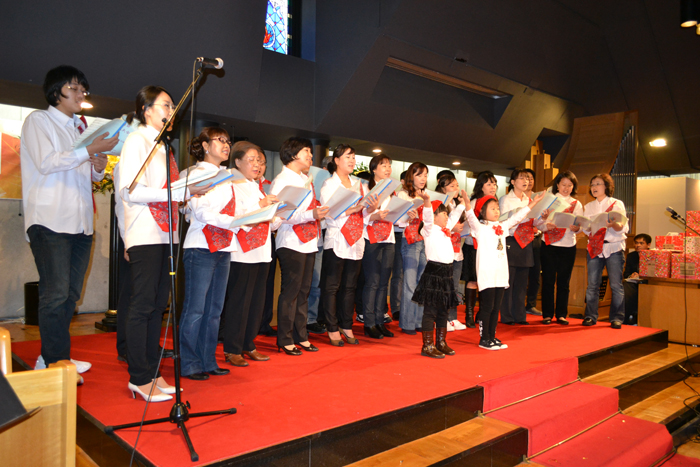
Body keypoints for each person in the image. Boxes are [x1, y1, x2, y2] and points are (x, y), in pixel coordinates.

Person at [21, 65, 118, 378]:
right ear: (56, 91)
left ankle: (54, 357)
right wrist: (89, 149)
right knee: (55, 294)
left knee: (70, 295)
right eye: (74, 88)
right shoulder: (39, 120)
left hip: (80, 223)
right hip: (50, 220)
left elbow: (90, 176)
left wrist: (98, 164)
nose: (80, 94)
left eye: (83, 89)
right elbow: (46, 163)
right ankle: (54, 364)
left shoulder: (79, 128)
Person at [118, 85, 210, 401]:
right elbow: (130, 191)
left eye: (172, 106)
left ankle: (153, 373)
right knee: (143, 305)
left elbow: (166, 192)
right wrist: (179, 192)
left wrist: (185, 193)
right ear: (146, 110)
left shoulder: (163, 148)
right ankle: (138, 377)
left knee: (158, 306)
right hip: (145, 232)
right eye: (166, 105)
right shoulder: (137, 141)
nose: (172, 111)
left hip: (167, 233)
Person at [178, 127, 236, 380]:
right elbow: (201, 212)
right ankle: (189, 363)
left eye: (228, 141)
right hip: (200, 246)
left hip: (224, 246)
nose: (226, 145)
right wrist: (234, 221)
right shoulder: (195, 174)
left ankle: (208, 360)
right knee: (195, 309)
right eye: (220, 140)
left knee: (214, 311)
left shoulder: (228, 176)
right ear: (204, 145)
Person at [222, 141, 283, 366]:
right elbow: (239, 217)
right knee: (239, 302)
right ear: (237, 162)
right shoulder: (231, 184)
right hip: (242, 252)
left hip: (262, 251)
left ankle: (249, 344)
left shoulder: (256, 186)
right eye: (251, 160)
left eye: (259, 161)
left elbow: (268, 221)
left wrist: (279, 214)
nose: (257, 164)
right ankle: (232, 349)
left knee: (256, 302)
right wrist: (263, 204)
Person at [463, 192, 545, 350]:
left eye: (497, 208)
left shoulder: (502, 226)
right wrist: (467, 204)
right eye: (492, 208)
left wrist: (533, 203)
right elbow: (471, 218)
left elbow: (517, 217)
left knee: (496, 308)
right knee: (487, 307)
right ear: (483, 211)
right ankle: (484, 339)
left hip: (500, 273)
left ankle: (492, 336)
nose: (496, 211)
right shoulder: (480, 228)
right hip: (487, 274)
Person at [270, 137, 329, 355]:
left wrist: (316, 212)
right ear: (293, 154)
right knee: (291, 292)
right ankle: (285, 339)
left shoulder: (305, 179)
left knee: (304, 291)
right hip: (290, 242)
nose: (311, 156)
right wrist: (310, 214)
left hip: (309, 241)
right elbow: (281, 215)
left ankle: (301, 336)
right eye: (306, 151)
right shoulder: (282, 181)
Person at [320, 144, 378, 346]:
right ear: (336, 160)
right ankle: (331, 326)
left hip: (355, 240)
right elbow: (327, 213)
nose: (352, 160)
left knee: (350, 286)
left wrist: (371, 208)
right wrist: (351, 210)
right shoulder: (329, 184)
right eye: (348, 157)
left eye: (354, 157)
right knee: (332, 287)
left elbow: (366, 216)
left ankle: (346, 325)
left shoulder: (359, 184)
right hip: (337, 239)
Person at [411, 191, 467, 358]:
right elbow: (428, 217)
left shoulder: (445, 229)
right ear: (435, 216)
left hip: (447, 272)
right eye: (443, 213)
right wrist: (427, 201)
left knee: (444, 309)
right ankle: (427, 345)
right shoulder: (429, 229)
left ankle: (441, 342)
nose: (447, 216)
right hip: (434, 271)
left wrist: (462, 203)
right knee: (430, 310)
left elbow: (455, 215)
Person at [582, 174, 629, 329]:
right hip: (595, 247)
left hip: (613, 247)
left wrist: (612, 225)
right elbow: (586, 229)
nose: (594, 187)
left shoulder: (616, 203)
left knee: (615, 285)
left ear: (606, 186)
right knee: (592, 285)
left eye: (598, 184)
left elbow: (622, 227)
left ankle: (616, 318)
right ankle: (590, 316)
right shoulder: (589, 206)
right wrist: (589, 226)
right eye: (592, 184)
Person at [537, 171, 583, 325]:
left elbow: (580, 226)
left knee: (564, 282)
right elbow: (539, 223)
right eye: (563, 184)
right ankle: (547, 315)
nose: (566, 188)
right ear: (557, 185)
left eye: (570, 185)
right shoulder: (549, 200)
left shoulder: (576, 204)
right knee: (548, 280)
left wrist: (576, 228)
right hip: (549, 244)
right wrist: (546, 224)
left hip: (568, 245)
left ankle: (562, 314)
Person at [362, 154, 396, 339]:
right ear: (374, 169)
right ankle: (369, 323)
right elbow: (360, 215)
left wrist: (406, 215)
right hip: (371, 239)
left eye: (389, 165)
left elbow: (396, 219)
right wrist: (374, 216)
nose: (388, 168)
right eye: (383, 165)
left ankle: (379, 321)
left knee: (383, 283)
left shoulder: (392, 192)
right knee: (373, 282)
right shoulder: (367, 189)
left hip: (389, 239)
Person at [499, 169, 537, 325]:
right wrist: (523, 217)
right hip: (511, 240)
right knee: (509, 282)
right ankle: (507, 316)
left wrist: (541, 218)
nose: (525, 181)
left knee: (522, 283)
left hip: (526, 242)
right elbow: (504, 221)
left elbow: (534, 222)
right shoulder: (506, 199)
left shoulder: (529, 200)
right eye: (522, 178)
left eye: (527, 178)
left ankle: (520, 316)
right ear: (513, 182)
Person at [462, 171, 499, 328]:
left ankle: (482, 313)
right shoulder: (474, 202)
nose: (493, 187)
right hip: (473, 245)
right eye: (489, 184)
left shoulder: (495, 201)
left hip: (489, 248)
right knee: (473, 279)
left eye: (494, 184)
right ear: (480, 186)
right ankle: (469, 314)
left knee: (486, 280)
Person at [397, 162, 429, 334]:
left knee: (422, 282)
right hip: (409, 240)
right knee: (409, 283)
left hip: (425, 240)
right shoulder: (403, 194)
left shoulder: (426, 195)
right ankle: (408, 323)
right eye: (419, 175)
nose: (423, 178)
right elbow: (398, 221)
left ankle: (418, 321)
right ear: (411, 176)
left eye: (425, 175)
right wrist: (408, 216)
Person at [435, 173, 467, 331]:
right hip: (444, 252)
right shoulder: (440, 204)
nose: (456, 188)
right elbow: (441, 225)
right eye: (452, 186)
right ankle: (441, 319)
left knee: (453, 287)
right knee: (443, 287)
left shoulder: (456, 204)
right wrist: (453, 227)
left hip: (457, 250)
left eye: (457, 185)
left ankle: (452, 318)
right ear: (443, 188)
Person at [307, 155, 333, 335]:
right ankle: (302, 320)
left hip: (319, 234)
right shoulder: (306, 181)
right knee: (304, 283)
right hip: (301, 236)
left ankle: (312, 318)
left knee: (316, 282)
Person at [257, 150, 279, 337]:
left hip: (268, 236)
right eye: (255, 161)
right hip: (247, 237)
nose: (259, 166)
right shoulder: (240, 184)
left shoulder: (270, 186)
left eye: (263, 162)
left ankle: (264, 322)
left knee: (268, 282)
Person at [523, 169, 543, 316]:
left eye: (531, 178)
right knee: (521, 274)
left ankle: (531, 304)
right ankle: (517, 304)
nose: (529, 181)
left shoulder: (539, 197)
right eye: (525, 178)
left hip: (536, 238)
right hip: (521, 239)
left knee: (535, 274)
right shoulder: (519, 198)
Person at [389, 170, 408, 323]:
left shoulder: (421, 195)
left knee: (409, 274)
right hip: (398, 235)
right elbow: (394, 218)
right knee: (398, 273)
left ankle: (407, 306)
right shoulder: (401, 195)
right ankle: (396, 307)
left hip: (413, 236)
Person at [623, 234, 650, 325]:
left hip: (647, 282)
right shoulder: (631, 256)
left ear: (648, 245)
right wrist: (631, 275)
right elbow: (626, 274)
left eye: (641, 243)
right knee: (626, 287)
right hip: (634, 282)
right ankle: (625, 319)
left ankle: (637, 317)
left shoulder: (653, 255)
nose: (638, 245)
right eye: (636, 243)